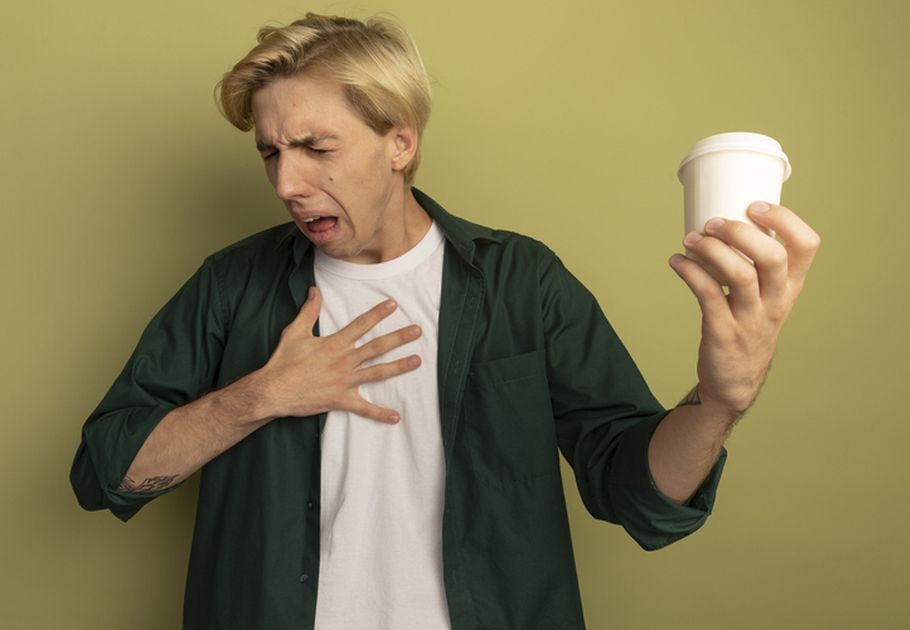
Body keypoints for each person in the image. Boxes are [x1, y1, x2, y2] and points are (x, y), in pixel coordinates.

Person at [70, 12, 820, 630]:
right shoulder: (232, 286)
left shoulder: (520, 281)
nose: (287, 183)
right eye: (271, 153)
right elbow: (106, 470)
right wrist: (261, 396)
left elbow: (636, 494)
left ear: (400, 142)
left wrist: (718, 402)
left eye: (316, 148)